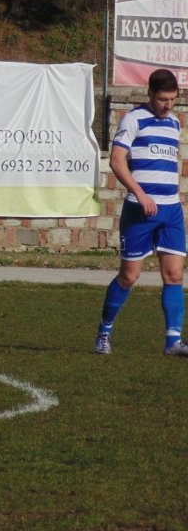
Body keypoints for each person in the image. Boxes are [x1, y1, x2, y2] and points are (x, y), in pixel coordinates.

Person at [95, 69, 188, 357]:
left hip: (171, 210)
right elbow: (117, 161)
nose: (168, 105)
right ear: (150, 94)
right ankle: (104, 333)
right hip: (140, 211)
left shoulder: (174, 123)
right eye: (162, 99)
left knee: (174, 275)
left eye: (173, 99)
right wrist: (139, 193)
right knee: (129, 276)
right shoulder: (133, 119)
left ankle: (173, 342)